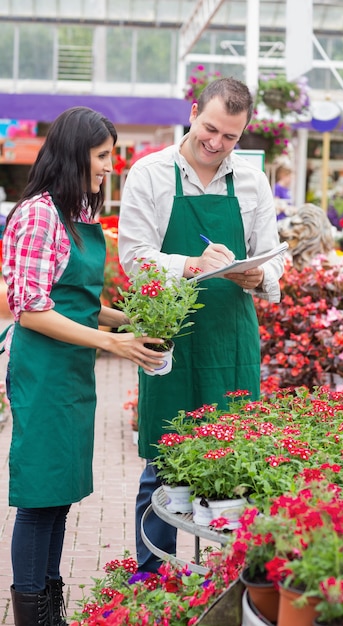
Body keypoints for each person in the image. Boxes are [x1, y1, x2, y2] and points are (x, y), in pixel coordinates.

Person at [1, 106, 165, 626]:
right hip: (44, 373)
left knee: (62, 495)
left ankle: (51, 608)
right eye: (101, 156)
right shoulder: (37, 215)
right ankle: (33, 614)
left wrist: (130, 318)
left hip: (71, 374)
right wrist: (112, 344)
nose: (109, 166)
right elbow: (29, 309)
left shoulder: (78, 218)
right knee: (39, 497)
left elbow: (74, 301)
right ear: (74, 156)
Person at [118, 77, 285, 573]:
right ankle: (151, 580)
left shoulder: (253, 183)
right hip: (172, 341)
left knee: (238, 468)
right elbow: (134, 259)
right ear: (193, 111)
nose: (216, 143)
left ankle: (233, 579)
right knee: (162, 467)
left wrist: (258, 274)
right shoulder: (149, 174)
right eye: (210, 128)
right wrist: (192, 264)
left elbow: (275, 262)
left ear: (244, 134)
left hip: (231, 340)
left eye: (230, 136)